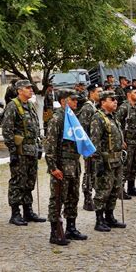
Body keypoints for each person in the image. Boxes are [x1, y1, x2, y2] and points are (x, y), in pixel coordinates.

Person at [45, 89, 88, 245]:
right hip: (61, 166)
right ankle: (55, 232)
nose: (76, 102)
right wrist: (53, 167)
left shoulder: (72, 118)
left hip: (74, 165)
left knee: (72, 198)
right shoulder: (57, 119)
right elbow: (49, 146)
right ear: (63, 101)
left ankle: (71, 228)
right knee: (57, 199)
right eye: (73, 100)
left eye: (77, 100)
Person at [2, 79, 45, 226]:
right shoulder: (13, 106)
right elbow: (7, 130)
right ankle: (15, 213)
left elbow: (35, 127)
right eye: (28, 88)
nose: (31, 90)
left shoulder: (31, 105)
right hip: (20, 152)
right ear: (20, 90)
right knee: (17, 182)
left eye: (31, 88)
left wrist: (38, 145)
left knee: (29, 181)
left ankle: (28, 211)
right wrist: (13, 151)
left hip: (31, 151)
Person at [90, 91, 126, 231]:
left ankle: (109, 216)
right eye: (112, 99)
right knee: (103, 191)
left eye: (116, 100)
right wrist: (98, 162)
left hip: (117, 160)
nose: (115, 102)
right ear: (103, 102)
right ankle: (99, 219)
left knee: (115, 189)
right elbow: (95, 142)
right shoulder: (98, 118)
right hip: (105, 162)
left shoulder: (113, 117)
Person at [78, 83, 103, 211]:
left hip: (94, 147)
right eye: (99, 92)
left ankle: (91, 197)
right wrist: (87, 148)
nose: (101, 94)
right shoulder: (87, 108)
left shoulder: (94, 107)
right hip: (89, 148)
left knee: (93, 173)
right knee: (88, 173)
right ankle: (87, 199)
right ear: (91, 93)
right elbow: (83, 129)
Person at [116, 85, 136, 198]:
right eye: (135, 92)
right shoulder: (124, 108)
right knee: (125, 167)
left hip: (135, 141)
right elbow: (117, 124)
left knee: (134, 166)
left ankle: (131, 187)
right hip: (127, 142)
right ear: (129, 94)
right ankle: (120, 189)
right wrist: (121, 140)